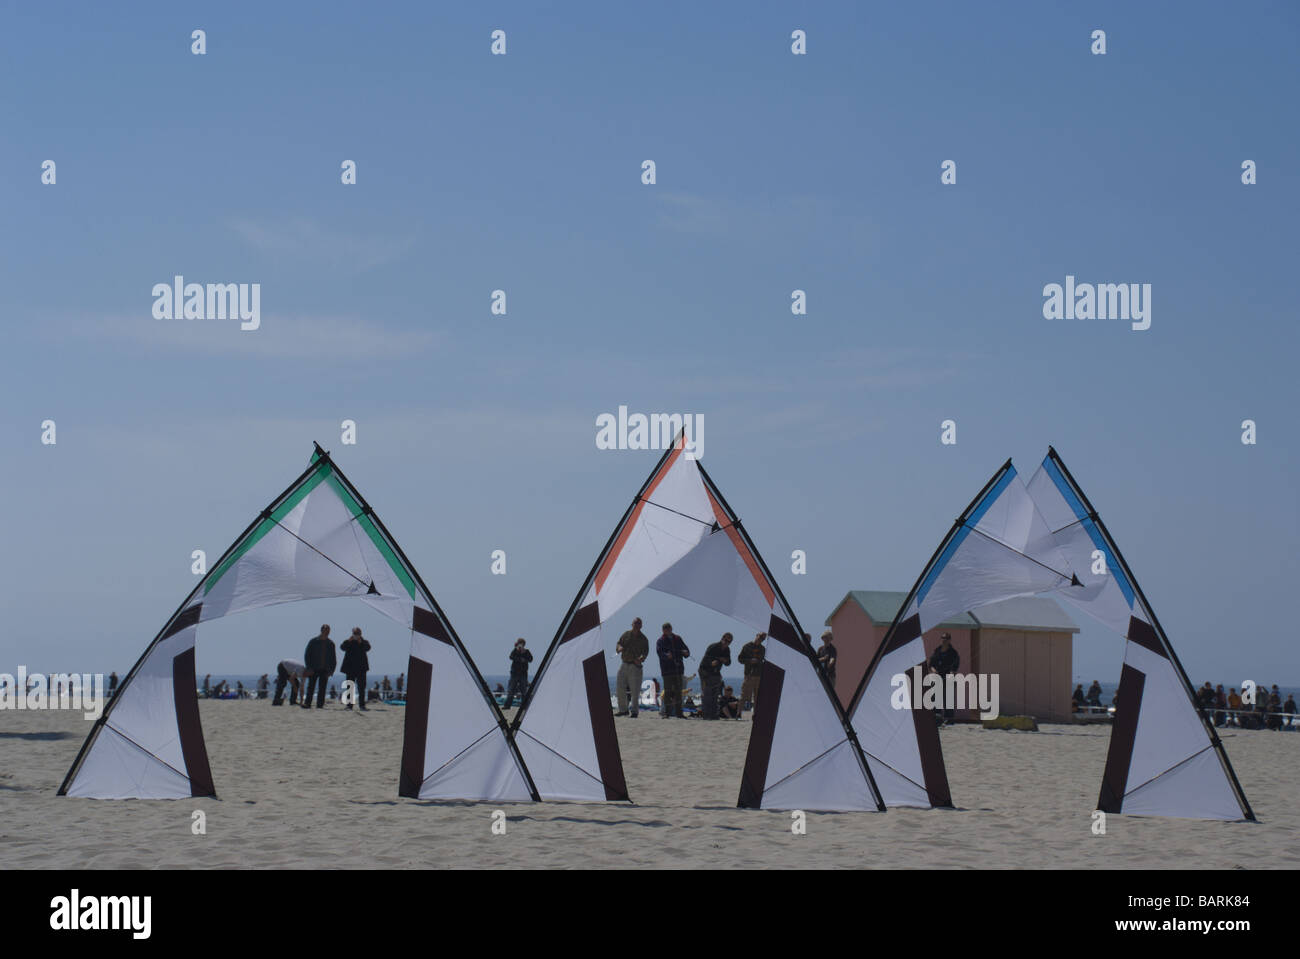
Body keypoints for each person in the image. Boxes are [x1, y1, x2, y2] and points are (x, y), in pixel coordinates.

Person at [614, 617, 649, 718]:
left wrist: (641, 658)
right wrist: (619, 648)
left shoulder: (643, 639)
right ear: (632, 624)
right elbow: (619, 643)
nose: (636, 625)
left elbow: (645, 652)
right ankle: (623, 710)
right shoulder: (626, 634)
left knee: (635, 690)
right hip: (624, 663)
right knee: (620, 687)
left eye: (638, 624)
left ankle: (634, 711)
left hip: (635, 666)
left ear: (641, 626)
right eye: (635, 623)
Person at [655, 623, 690, 719]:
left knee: (679, 692)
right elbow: (659, 652)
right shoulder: (660, 641)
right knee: (668, 691)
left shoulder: (677, 639)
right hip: (667, 671)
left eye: (668, 628)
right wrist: (667, 656)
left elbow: (686, 650)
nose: (667, 630)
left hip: (678, 669)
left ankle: (679, 713)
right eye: (665, 629)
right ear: (663, 630)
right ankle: (667, 713)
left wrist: (686, 653)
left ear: (671, 628)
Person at [699, 633, 733, 720]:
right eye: (725, 640)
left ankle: (713, 715)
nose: (726, 643)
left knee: (715, 695)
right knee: (707, 694)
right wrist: (711, 663)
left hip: (716, 673)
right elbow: (705, 660)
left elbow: (728, 663)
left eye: (729, 642)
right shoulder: (713, 647)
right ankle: (706, 715)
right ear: (722, 639)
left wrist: (725, 660)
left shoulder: (727, 650)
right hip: (705, 671)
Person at [302, 625, 337, 709]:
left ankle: (320, 705)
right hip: (313, 668)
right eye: (325, 630)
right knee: (311, 687)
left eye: (328, 631)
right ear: (321, 630)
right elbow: (307, 655)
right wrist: (309, 667)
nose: (327, 632)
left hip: (325, 669)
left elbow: (333, 658)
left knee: (322, 688)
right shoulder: (313, 641)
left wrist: (331, 671)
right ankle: (307, 703)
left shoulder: (330, 643)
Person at [929, 633, 960, 724]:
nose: (944, 640)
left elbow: (955, 666)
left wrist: (952, 673)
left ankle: (949, 719)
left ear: (949, 640)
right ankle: (937, 717)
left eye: (946, 638)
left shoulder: (953, 653)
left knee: (948, 699)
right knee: (935, 698)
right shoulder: (937, 651)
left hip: (948, 679)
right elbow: (931, 664)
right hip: (937, 678)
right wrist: (933, 670)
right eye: (943, 638)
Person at [340, 627, 371, 711]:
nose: (356, 635)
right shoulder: (348, 641)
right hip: (350, 668)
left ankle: (362, 705)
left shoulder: (364, 642)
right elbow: (342, 647)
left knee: (361, 688)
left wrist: (361, 642)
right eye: (355, 633)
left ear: (361, 634)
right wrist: (348, 641)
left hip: (361, 669)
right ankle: (349, 705)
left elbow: (368, 648)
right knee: (350, 687)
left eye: (358, 633)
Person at [737, 633, 766, 711]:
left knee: (757, 697)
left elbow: (764, 661)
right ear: (756, 636)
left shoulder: (763, 649)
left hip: (759, 675)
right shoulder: (747, 646)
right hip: (749, 675)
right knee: (744, 695)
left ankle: (755, 715)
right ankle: (738, 713)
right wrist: (750, 661)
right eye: (760, 637)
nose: (760, 640)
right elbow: (740, 659)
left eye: (763, 639)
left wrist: (759, 662)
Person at [503, 638, 533, 709]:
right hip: (514, 674)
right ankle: (507, 706)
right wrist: (519, 657)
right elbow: (511, 657)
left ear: (523, 644)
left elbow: (531, 659)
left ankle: (524, 706)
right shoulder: (515, 650)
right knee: (511, 690)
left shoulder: (527, 651)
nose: (520, 645)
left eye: (521, 643)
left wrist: (524, 658)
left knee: (523, 691)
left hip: (523, 674)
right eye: (519, 643)